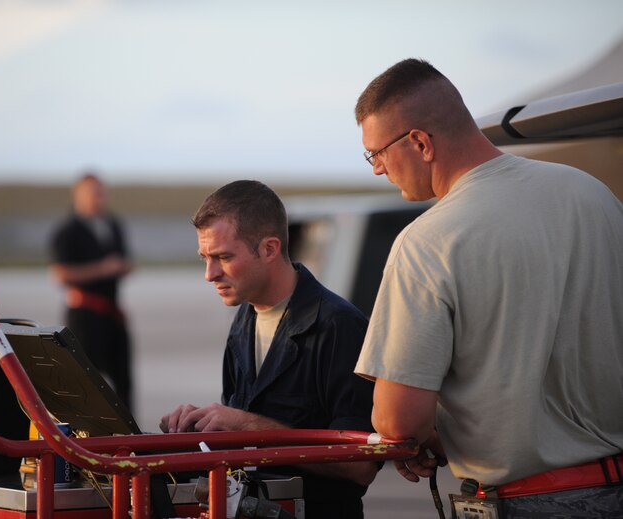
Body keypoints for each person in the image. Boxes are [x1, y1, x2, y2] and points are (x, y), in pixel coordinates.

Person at [352, 58, 623, 517]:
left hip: (527, 501)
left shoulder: (427, 242)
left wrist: (430, 434)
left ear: (419, 142)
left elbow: (398, 421)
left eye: (376, 154)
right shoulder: (594, 195)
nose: (378, 169)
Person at [160, 180, 378, 518]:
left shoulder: (339, 326)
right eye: (205, 258)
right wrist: (203, 427)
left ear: (270, 249)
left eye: (223, 257)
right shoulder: (245, 318)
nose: (209, 274)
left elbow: (360, 466)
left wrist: (245, 424)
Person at [49, 172, 134, 410]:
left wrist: (122, 268)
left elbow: (123, 261)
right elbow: (60, 273)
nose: (99, 198)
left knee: (123, 380)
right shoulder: (68, 230)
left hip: (113, 313)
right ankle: (89, 440)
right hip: (84, 315)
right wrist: (103, 269)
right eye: (93, 193)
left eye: (102, 192)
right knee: (86, 381)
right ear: (78, 196)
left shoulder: (113, 225)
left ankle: (130, 439)